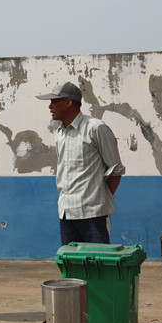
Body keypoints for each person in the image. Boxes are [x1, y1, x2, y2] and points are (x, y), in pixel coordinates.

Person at [36, 81, 125, 245]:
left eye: (54, 101)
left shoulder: (95, 128)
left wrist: (98, 198)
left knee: (97, 259)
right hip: (66, 213)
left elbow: (116, 169)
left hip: (93, 215)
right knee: (70, 260)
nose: (50, 106)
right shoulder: (60, 133)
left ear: (68, 102)